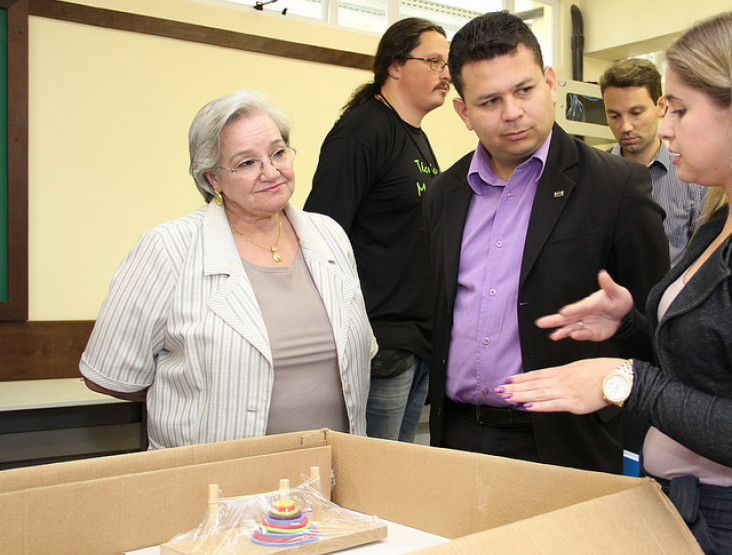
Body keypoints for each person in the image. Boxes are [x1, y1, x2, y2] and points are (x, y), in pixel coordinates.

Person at [497, 7, 732, 553]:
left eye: (679, 109)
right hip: (685, 507)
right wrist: (628, 327)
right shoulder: (722, 222)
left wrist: (626, 381)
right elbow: (709, 367)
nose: (665, 127)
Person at [423, 11, 668, 473]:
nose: (512, 112)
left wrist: (622, 339)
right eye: (490, 100)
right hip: (458, 436)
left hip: (565, 443)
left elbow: (661, 334)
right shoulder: (444, 195)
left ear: (551, 83)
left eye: (524, 90)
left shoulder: (616, 187)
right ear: (464, 112)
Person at [80, 90, 376, 449]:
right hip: (216, 473)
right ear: (213, 179)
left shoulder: (329, 235)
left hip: (329, 467)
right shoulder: (168, 248)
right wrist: (199, 398)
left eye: (278, 153)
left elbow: (358, 357)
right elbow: (110, 375)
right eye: (247, 163)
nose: (271, 172)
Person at [305, 19, 450, 443]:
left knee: (399, 472)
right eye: (434, 61)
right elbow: (321, 234)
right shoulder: (362, 131)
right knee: (370, 472)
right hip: (380, 345)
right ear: (395, 66)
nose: (446, 74)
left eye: (448, 64)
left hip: (417, 342)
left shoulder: (414, 136)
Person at [600, 58, 706, 265]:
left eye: (636, 113)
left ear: (661, 106)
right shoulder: (590, 177)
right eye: (614, 116)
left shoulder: (695, 180)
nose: (625, 127)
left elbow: (705, 261)